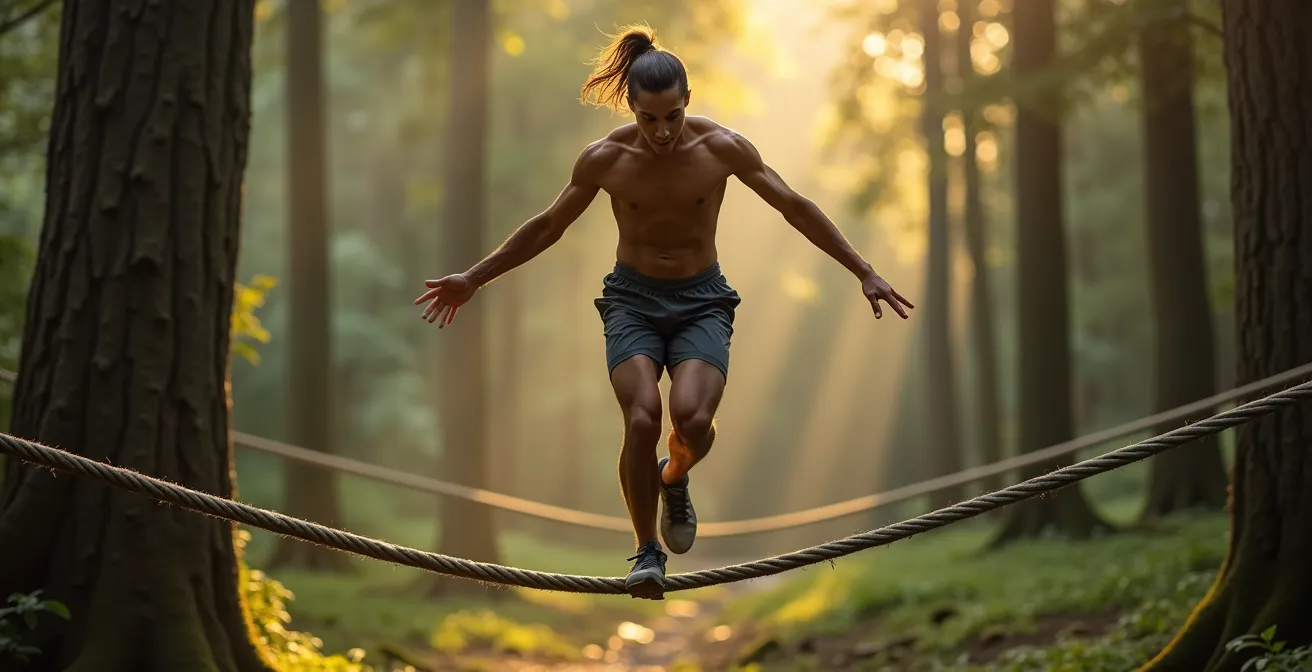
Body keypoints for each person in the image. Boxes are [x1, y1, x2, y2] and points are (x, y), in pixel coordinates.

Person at [413, 24, 914, 600]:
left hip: (703, 300)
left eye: (672, 116)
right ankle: (646, 552)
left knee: (692, 422)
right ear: (632, 108)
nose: (662, 131)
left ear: (687, 102)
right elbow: (548, 226)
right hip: (632, 301)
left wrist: (865, 270)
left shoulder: (723, 148)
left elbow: (795, 206)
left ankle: (673, 478)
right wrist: (473, 277)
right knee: (644, 417)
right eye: (649, 119)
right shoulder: (605, 160)